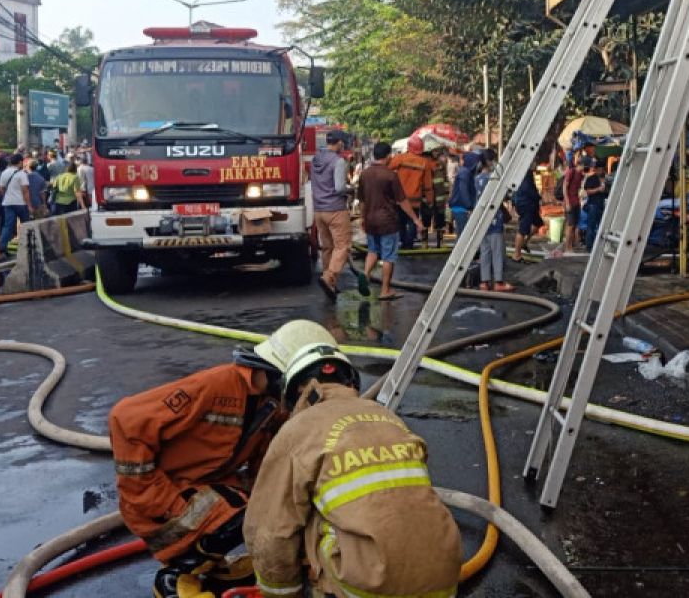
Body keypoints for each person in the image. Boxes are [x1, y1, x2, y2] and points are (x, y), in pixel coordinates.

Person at [108, 321, 325, 598]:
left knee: (273, 504)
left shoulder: (269, 403)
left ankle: (210, 565)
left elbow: (267, 464)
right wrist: (161, 501)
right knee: (248, 513)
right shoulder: (215, 386)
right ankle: (179, 574)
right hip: (160, 504)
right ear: (281, 373)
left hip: (200, 485)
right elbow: (126, 419)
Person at [244, 326, 461, 598]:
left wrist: (280, 591)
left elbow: (270, 530)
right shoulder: (387, 418)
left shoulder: (296, 431)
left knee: (297, 511)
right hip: (446, 577)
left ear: (294, 389)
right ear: (351, 382)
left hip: (369, 587)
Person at [358, 141, 422, 301]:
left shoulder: (365, 174)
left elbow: (362, 201)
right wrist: (415, 219)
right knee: (388, 256)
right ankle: (385, 290)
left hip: (370, 219)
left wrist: (362, 218)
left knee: (373, 250)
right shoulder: (390, 175)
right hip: (388, 221)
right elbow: (402, 201)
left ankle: (365, 274)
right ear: (388, 156)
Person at [311, 131, 352, 302]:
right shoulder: (338, 161)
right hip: (335, 209)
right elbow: (339, 188)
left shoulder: (316, 159)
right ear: (340, 143)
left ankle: (330, 283)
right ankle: (329, 277)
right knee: (343, 246)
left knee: (327, 247)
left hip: (319, 210)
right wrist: (352, 189)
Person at [472, 149, 513, 292]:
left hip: (481, 220)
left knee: (485, 251)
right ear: (490, 161)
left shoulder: (476, 179)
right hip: (494, 219)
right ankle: (499, 282)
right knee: (497, 251)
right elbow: (504, 196)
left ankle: (484, 281)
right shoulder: (494, 179)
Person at [388, 136, 434, 249]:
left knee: (401, 221)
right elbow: (428, 185)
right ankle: (409, 244)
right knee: (413, 221)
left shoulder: (399, 158)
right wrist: (430, 200)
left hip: (399, 198)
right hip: (415, 199)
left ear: (409, 147)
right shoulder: (425, 163)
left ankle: (404, 241)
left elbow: (387, 171)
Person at [0, 153, 34, 254]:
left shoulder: (4, 173)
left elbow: (0, 189)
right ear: (19, 162)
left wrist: (8, 195)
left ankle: (2, 245)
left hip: (8, 203)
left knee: (8, 225)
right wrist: (30, 206)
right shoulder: (22, 174)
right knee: (25, 224)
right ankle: (26, 245)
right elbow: (25, 191)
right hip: (21, 203)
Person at [512, 167, 543, 263]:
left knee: (538, 223)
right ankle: (516, 255)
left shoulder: (520, 171)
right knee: (523, 229)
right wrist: (538, 197)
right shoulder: (524, 172)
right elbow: (528, 188)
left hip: (526, 202)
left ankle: (524, 242)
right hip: (526, 203)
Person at [448, 151, 481, 238]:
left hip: (460, 207)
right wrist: (470, 205)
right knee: (463, 236)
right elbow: (464, 191)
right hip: (461, 208)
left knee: (462, 234)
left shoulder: (466, 172)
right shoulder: (465, 173)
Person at [423, 147, 449, 248]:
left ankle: (441, 242)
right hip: (427, 197)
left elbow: (445, 180)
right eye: (435, 151)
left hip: (439, 197)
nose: (436, 153)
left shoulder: (441, 165)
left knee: (440, 220)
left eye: (438, 151)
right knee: (426, 220)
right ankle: (425, 242)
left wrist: (446, 194)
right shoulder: (424, 164)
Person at [582, 156, 607, 250]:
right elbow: (588, 191)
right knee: (591, 226)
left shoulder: (605, 179)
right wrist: (598, 189)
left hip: (602, 205)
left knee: (603, 226)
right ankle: (589, 245)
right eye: (600, 169)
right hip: (593, 205)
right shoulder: (591, 178)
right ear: (596, 169)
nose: (602, 171)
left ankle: (600, 245)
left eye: (603, 169)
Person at [561, 155, 585, 253]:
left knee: (573, 225)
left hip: (576, 202)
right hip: (570, 202)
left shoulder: (581, 175)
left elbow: (579, 188)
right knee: (570, 226)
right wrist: (567, 202)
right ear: (582, 164)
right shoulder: (571, 172)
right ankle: (568, 247)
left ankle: (570, 245)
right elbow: (564, 188)